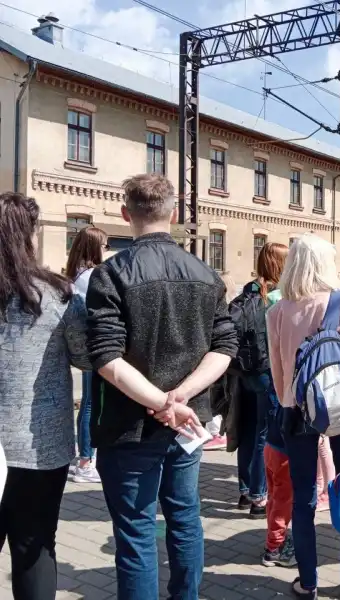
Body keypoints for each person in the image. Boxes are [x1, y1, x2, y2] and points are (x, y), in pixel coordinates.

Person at [86, 174, 238, 599]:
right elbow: (224, 347)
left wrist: (163, 402)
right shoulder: (207, 274)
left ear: (125, 214)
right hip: (186, 426)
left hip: (130, 427)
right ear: (173, 214)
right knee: (185, 518)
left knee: (135, 531)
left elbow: (107, 359)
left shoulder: (110, 274)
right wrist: (181, 399)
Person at [267, 234, 340, 599]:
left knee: (303, 498)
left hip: (295, 412)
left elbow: (279, 373)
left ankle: (307, 583)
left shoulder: (277, 311)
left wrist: (288, 408)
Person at [0, 192, 91, 599]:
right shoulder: (58, 295)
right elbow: (88, 358)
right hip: (41, 448)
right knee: (34, 548)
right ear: (31, 235)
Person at [247, 242, 297, 568]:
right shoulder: (283, 304)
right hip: (282, 392)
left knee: (262, 444)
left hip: (258, 381)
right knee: (285, 479)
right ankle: (276, 546)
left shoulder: (252, 293)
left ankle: (254, 493)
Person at [65, 226, 108, 484]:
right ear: (94, 247)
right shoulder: (92, 275)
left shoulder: (76, 273)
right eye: (104, 244)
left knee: (88, 404)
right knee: (92, 405)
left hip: (83, 346)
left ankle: (83, 455)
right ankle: (85, 461)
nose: (107, 249)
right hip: (93, 347)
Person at [205, 272, 239, 451]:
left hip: (216, 360)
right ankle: (218, 432)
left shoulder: (221, 306)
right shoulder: (235, 304)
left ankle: (216, 434)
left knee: (215, 397)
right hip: (228, 363)